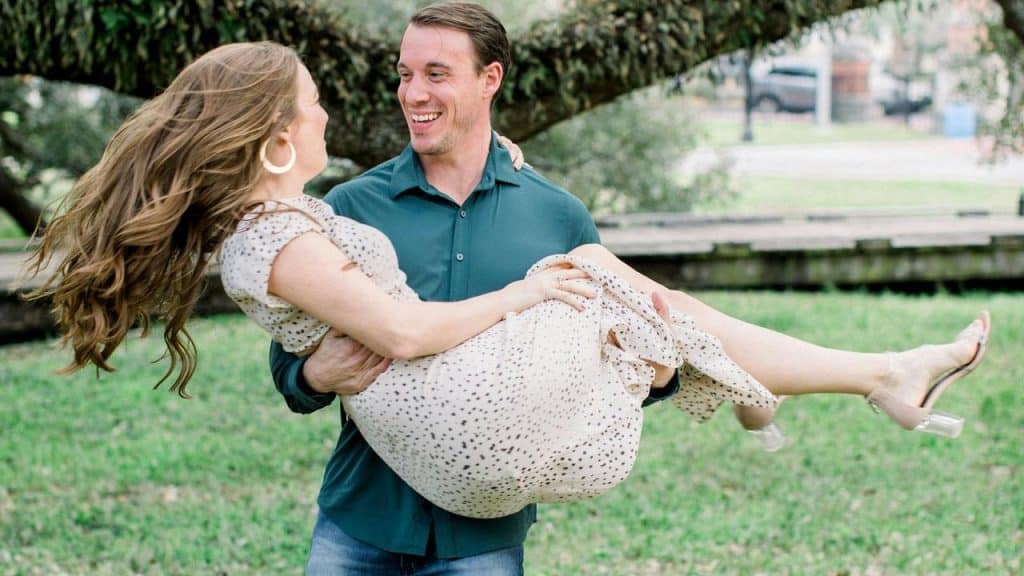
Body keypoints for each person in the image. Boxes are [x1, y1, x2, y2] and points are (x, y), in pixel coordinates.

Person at [24, 17, 990, 576]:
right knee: (623, 290)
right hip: (363, 517)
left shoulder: (550, 209)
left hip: (484, 526)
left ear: (489, 83)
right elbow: (304, 360)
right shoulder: (346, 205)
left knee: (629, 295)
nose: (409, 94)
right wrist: (313, 369)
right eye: (402, 75)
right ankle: (828, 380)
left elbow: (605, 370)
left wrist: (637, 355)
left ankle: (798, 381)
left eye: (434, 75)